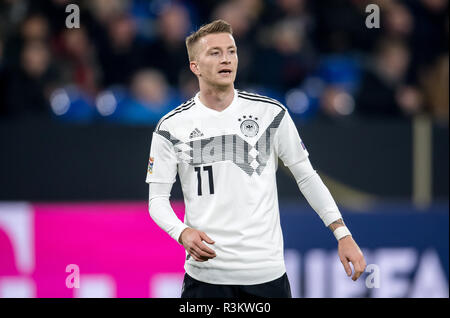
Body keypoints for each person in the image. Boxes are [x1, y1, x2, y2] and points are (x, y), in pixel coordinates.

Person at [146, 19, 366, 298]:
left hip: (266, 275)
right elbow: (156, 200)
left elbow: (306, 176)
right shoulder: (171, 127)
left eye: (231, 51)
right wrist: (182, 232)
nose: (226, 59)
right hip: (206, 278)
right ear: (195, 67)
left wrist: (342, 233)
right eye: (214, 53)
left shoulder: (271, 115)